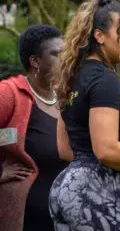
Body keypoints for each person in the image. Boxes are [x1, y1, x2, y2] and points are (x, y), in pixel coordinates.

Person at [49, 0, 120, 231]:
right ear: (99, 36)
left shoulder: (72, 76)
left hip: (65, 189)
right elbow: (106, 149)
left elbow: (64, 148)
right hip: (94, 194)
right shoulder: (104, 79)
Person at [0, 24, 65, 231]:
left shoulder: (65, 97)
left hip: (65, 216)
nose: (64, 60)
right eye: (56, 55)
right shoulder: (10, 94)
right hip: (26, 218)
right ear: (35, 61)